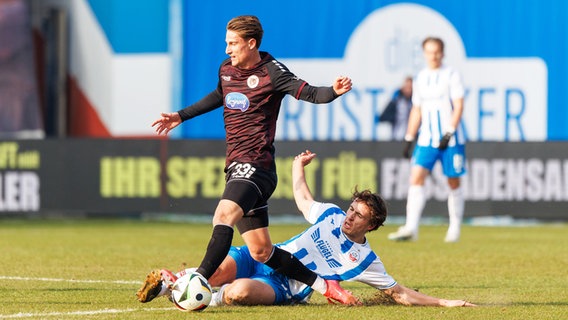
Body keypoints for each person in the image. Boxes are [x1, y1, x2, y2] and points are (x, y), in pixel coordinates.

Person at [149, 15, 356, 304]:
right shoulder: (226, 69)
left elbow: (309, 92)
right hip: (236, 166)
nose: (227, 50)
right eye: (226, 43)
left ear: (251, 43)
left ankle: (197, 280)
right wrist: (180, 116)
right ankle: (326, 287)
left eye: (232, 43)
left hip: (257, 167)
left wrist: (333, 91)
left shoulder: (273, 71)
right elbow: (218, 95)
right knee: (261, 251)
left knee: (223, 216)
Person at [137, 150, 476, 308]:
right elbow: (302, 198)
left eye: (359, 216)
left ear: (372, 225)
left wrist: (446, 303)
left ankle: (195, 295)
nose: (350, 217)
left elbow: (399, 293)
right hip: (264, 256)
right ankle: (173, 284)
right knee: (220, 268)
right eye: (351, 209)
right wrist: (298, 166)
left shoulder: (364, 260)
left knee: (239, 292)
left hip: (289, 285)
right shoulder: (329, 215)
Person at [388, 37, 466, 243]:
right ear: (424, 54)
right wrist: (409, 137)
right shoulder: (420, 77)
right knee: (416, 178)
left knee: (453, 181)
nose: (433, 55)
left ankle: (454, 227)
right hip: (426, 138)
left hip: (451, 140)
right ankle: (411, 228)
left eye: (437, 51)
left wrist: (449, 131)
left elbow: (458, 105)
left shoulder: (451, 75)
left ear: (443, 53)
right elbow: (417, 109)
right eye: (430, 52)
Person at [378, 76, 413, 141]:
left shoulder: (415, 103)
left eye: (410, 88)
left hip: (411, 138)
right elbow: (382, 117)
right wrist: (395, 117)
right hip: (397, 137)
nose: (408, 90)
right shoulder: (396, 101)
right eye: (407, 87)